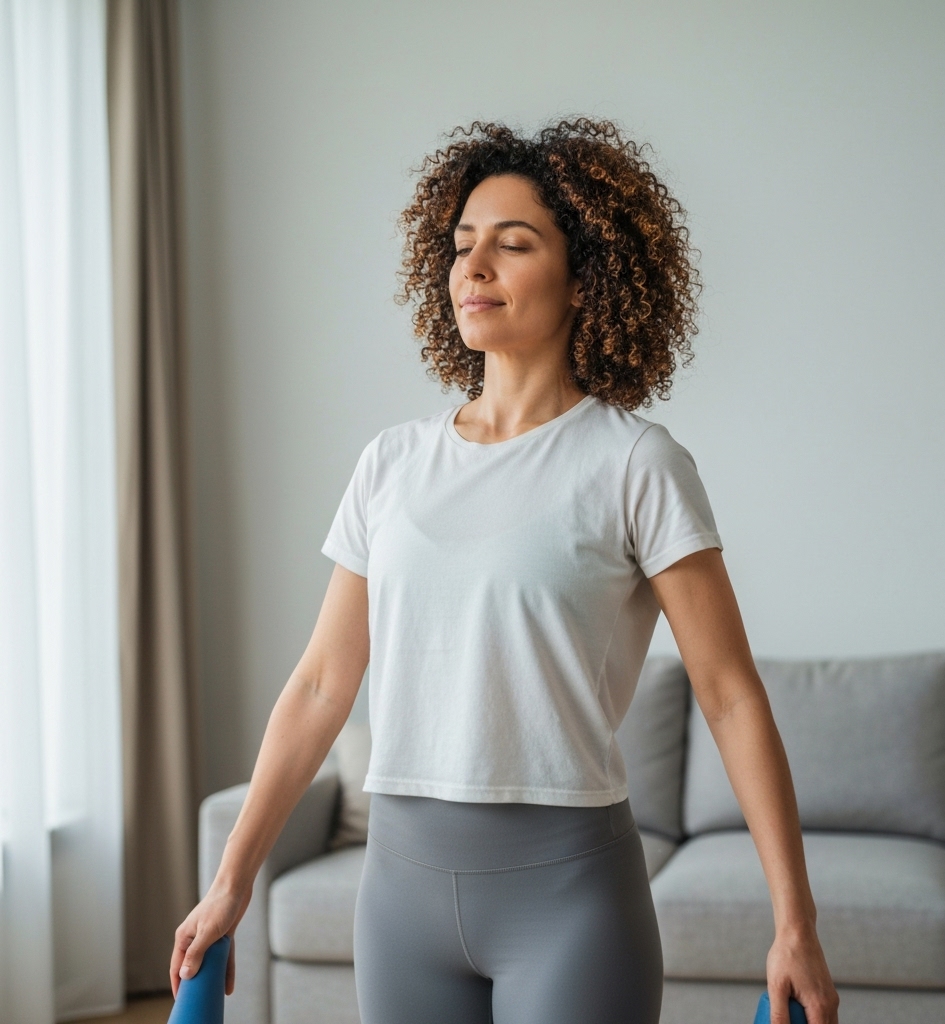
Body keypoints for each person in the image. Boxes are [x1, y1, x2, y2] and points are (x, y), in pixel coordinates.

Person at [171, 118, 840, 1024]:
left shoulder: (636, 464)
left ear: (582, 279)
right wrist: (230, 880)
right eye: (461, 245)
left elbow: (729, 696)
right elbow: (324, 683)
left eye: (513, 243)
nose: (473, 266)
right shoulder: (391, 463)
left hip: (568, 902)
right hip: (399, 896)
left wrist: (793, 920)